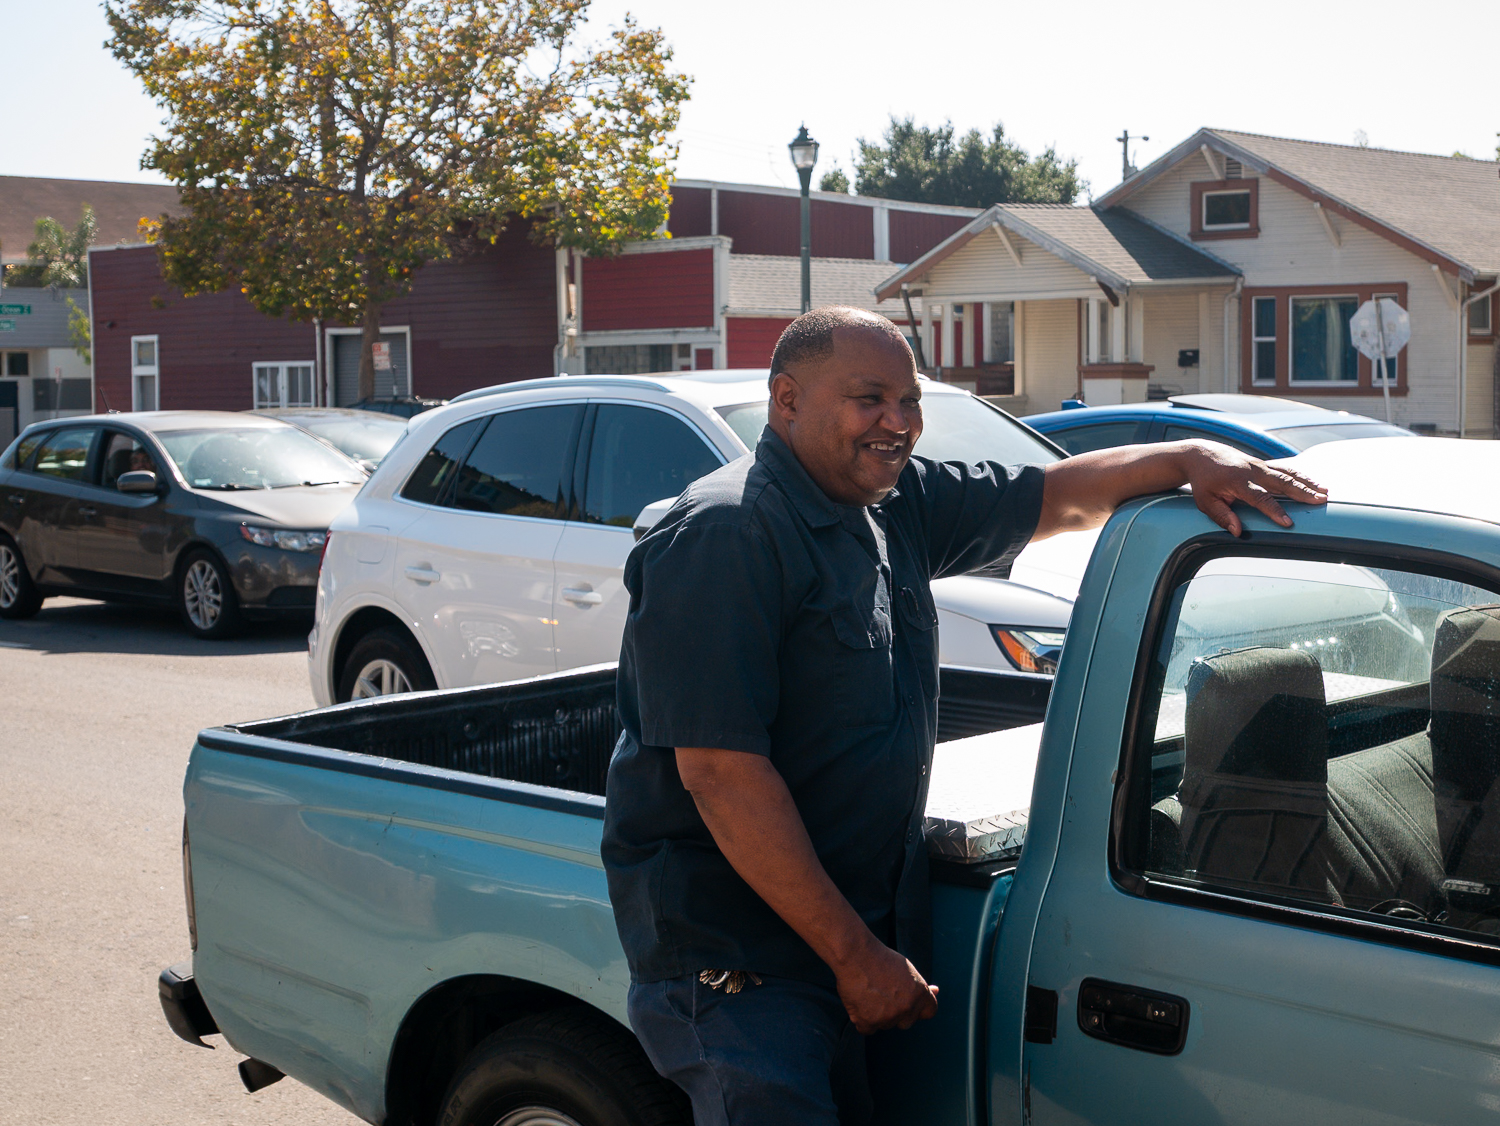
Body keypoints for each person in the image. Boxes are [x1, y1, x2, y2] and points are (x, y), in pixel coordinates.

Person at [601, 306, 1327, 1125]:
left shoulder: (889, 504)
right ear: (787, 400)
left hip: (851, 942)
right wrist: (856, 956)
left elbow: (1058, 497)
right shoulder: (726, 532)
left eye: (910, 402)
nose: (898, 422)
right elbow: (722, 775)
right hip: (743, 967)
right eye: (869, 398)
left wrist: (1188, 456)